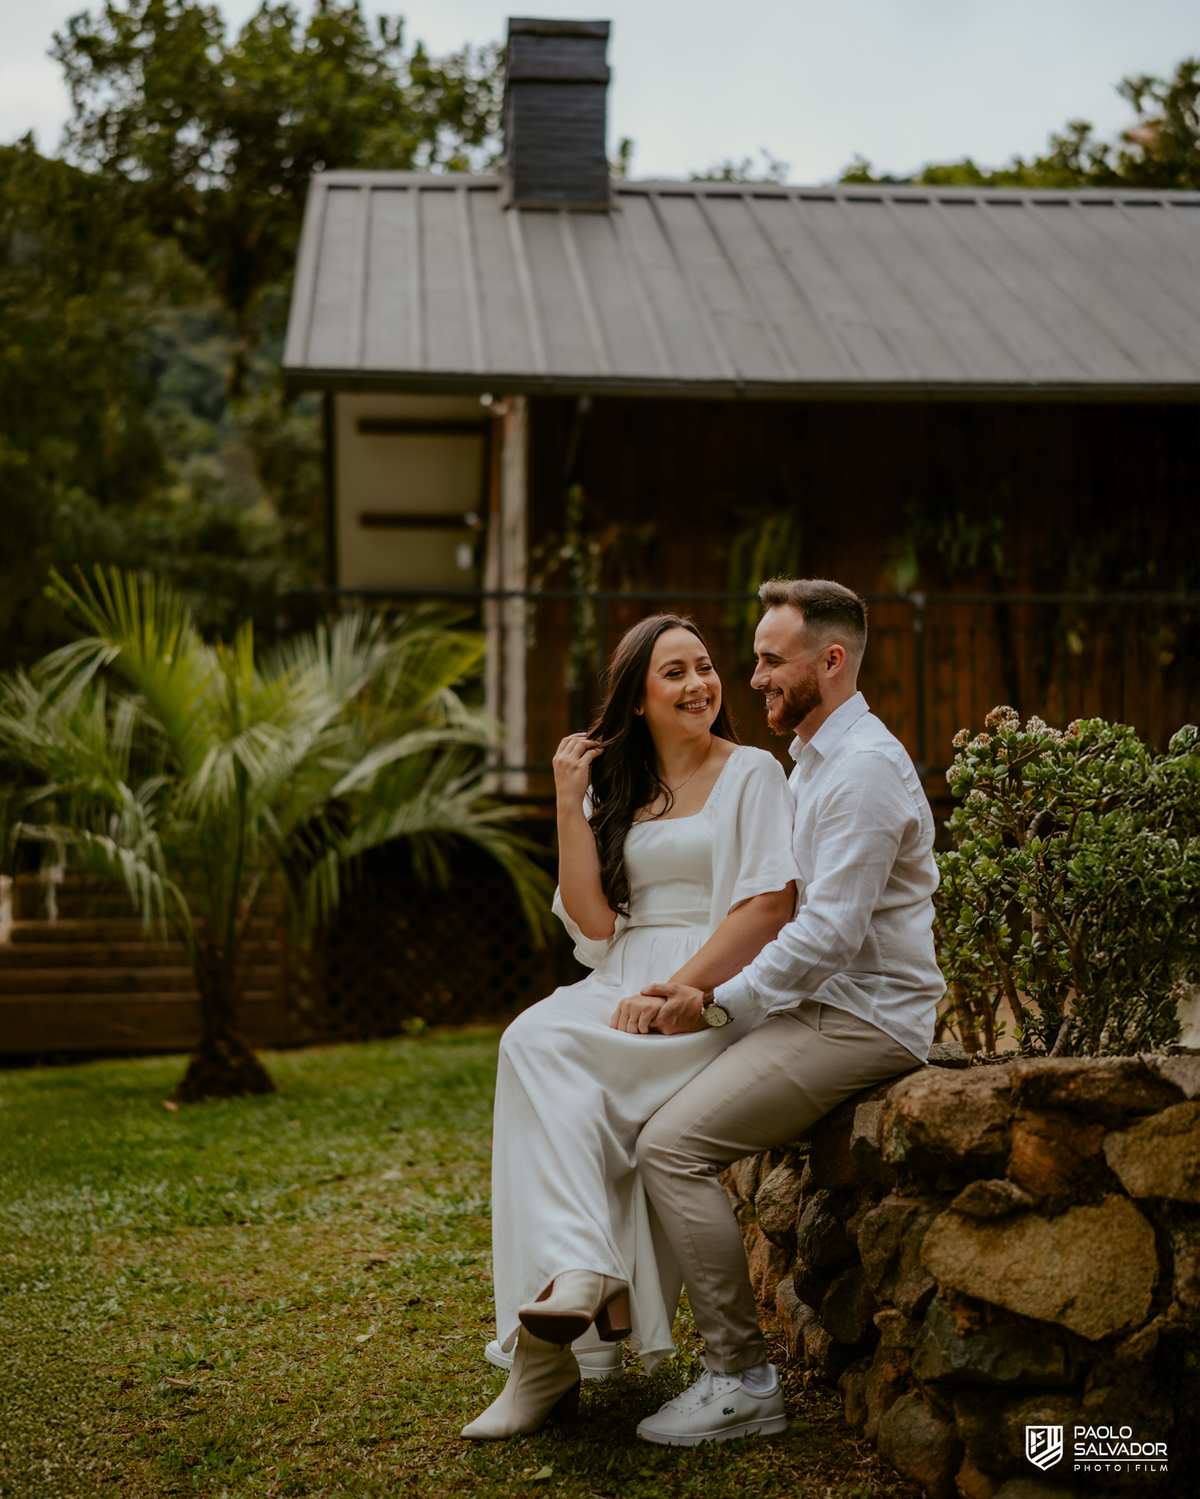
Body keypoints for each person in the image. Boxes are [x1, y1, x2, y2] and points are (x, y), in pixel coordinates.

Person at [462, 613, 800, 1440]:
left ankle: (561, 1317)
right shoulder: (623, 791)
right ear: (639, 699)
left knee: (540, 1051)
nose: (700, 686)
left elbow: (768, 904)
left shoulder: (752, 770)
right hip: (616, 979)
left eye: (705, 668)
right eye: (674, 674)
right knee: (532, 1044)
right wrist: (569, 803)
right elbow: (594, 926)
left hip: (704, 987)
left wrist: (679, 988)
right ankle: (569, 1298)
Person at [626, 578, 943, 1448]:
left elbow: (831, 936)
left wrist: (720, 1003)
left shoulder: (865, 771)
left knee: (671, 1145)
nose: (752, 676)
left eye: (771, 660)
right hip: (812, 1004)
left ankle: (742, 1379)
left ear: (830, 661)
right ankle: (597, 1315)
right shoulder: (812, 761)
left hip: (860, 1017)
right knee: (623, 1091)